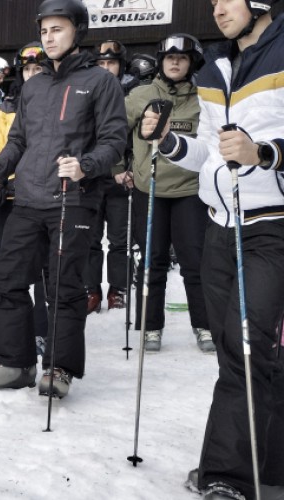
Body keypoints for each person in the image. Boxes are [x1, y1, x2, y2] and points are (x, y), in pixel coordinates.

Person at [141, 0, 284, 497]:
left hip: (270, 227)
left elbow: (255, 151)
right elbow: (207, 151)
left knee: (247, 349)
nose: (217, 8)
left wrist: (264, 154)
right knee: (238, 354)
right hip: (219, 227)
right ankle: (267, 463)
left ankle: (227, 476)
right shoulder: (217, 68)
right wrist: (168, 143)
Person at [0, 0, 127, 397]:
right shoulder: (33, 85)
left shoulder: (99, 82)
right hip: (28, 198)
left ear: (77, 31)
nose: (49, 37)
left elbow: (115, 140)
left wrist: (86, 164)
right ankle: (14, 363)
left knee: (63, 288)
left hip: (73, 199)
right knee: (7, 281)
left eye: (58, 29)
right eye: (44, 30)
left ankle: (59, 368)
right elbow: (18, 140)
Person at [126, 34, 213, 353]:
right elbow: (111, 131)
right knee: (151, 261)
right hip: (150, 189)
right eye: (169, 57)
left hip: (191, 191)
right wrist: (116, 169)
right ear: (161, 61)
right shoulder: (140, 95)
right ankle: (151, 327)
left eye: (183, 58)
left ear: (192, 63)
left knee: (196, 262)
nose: (175, 62)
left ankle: (205, 325)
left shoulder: (203, 98)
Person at [0, 41, 49, 355]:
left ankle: (42, 330)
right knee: (10, 268)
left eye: (39, 68)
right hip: (9, 194)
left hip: (45, 194)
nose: (32, 74)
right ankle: (14, 332)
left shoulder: (58, 100)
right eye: (28, 69)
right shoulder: (7, 103)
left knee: (43, 269)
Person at [84, 40, 138, 313]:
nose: (106, 69)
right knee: (90, 238)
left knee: (119, 240)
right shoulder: (87, 92)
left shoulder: (132, 94)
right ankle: (91, 289)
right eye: (101, 64)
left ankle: (118, 289)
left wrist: (129, 170)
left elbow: (139, 140)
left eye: (111, 63)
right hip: (94, 176)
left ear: (121, 66)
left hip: (122, 177)